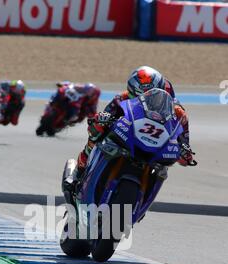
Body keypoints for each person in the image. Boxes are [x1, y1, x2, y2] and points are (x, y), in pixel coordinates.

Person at [66, 66, 195, 190]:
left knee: (172, 162)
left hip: (155, 133)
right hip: (131, 128)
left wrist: (185, 144)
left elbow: (181, 125)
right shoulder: (123, 97)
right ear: (132, 91)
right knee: (98, 129)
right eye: (140, 95)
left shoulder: (172, 102)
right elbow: (103, 115)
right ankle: (78, 173)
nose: (145, 98)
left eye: (149, 94)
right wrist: (102, 119)